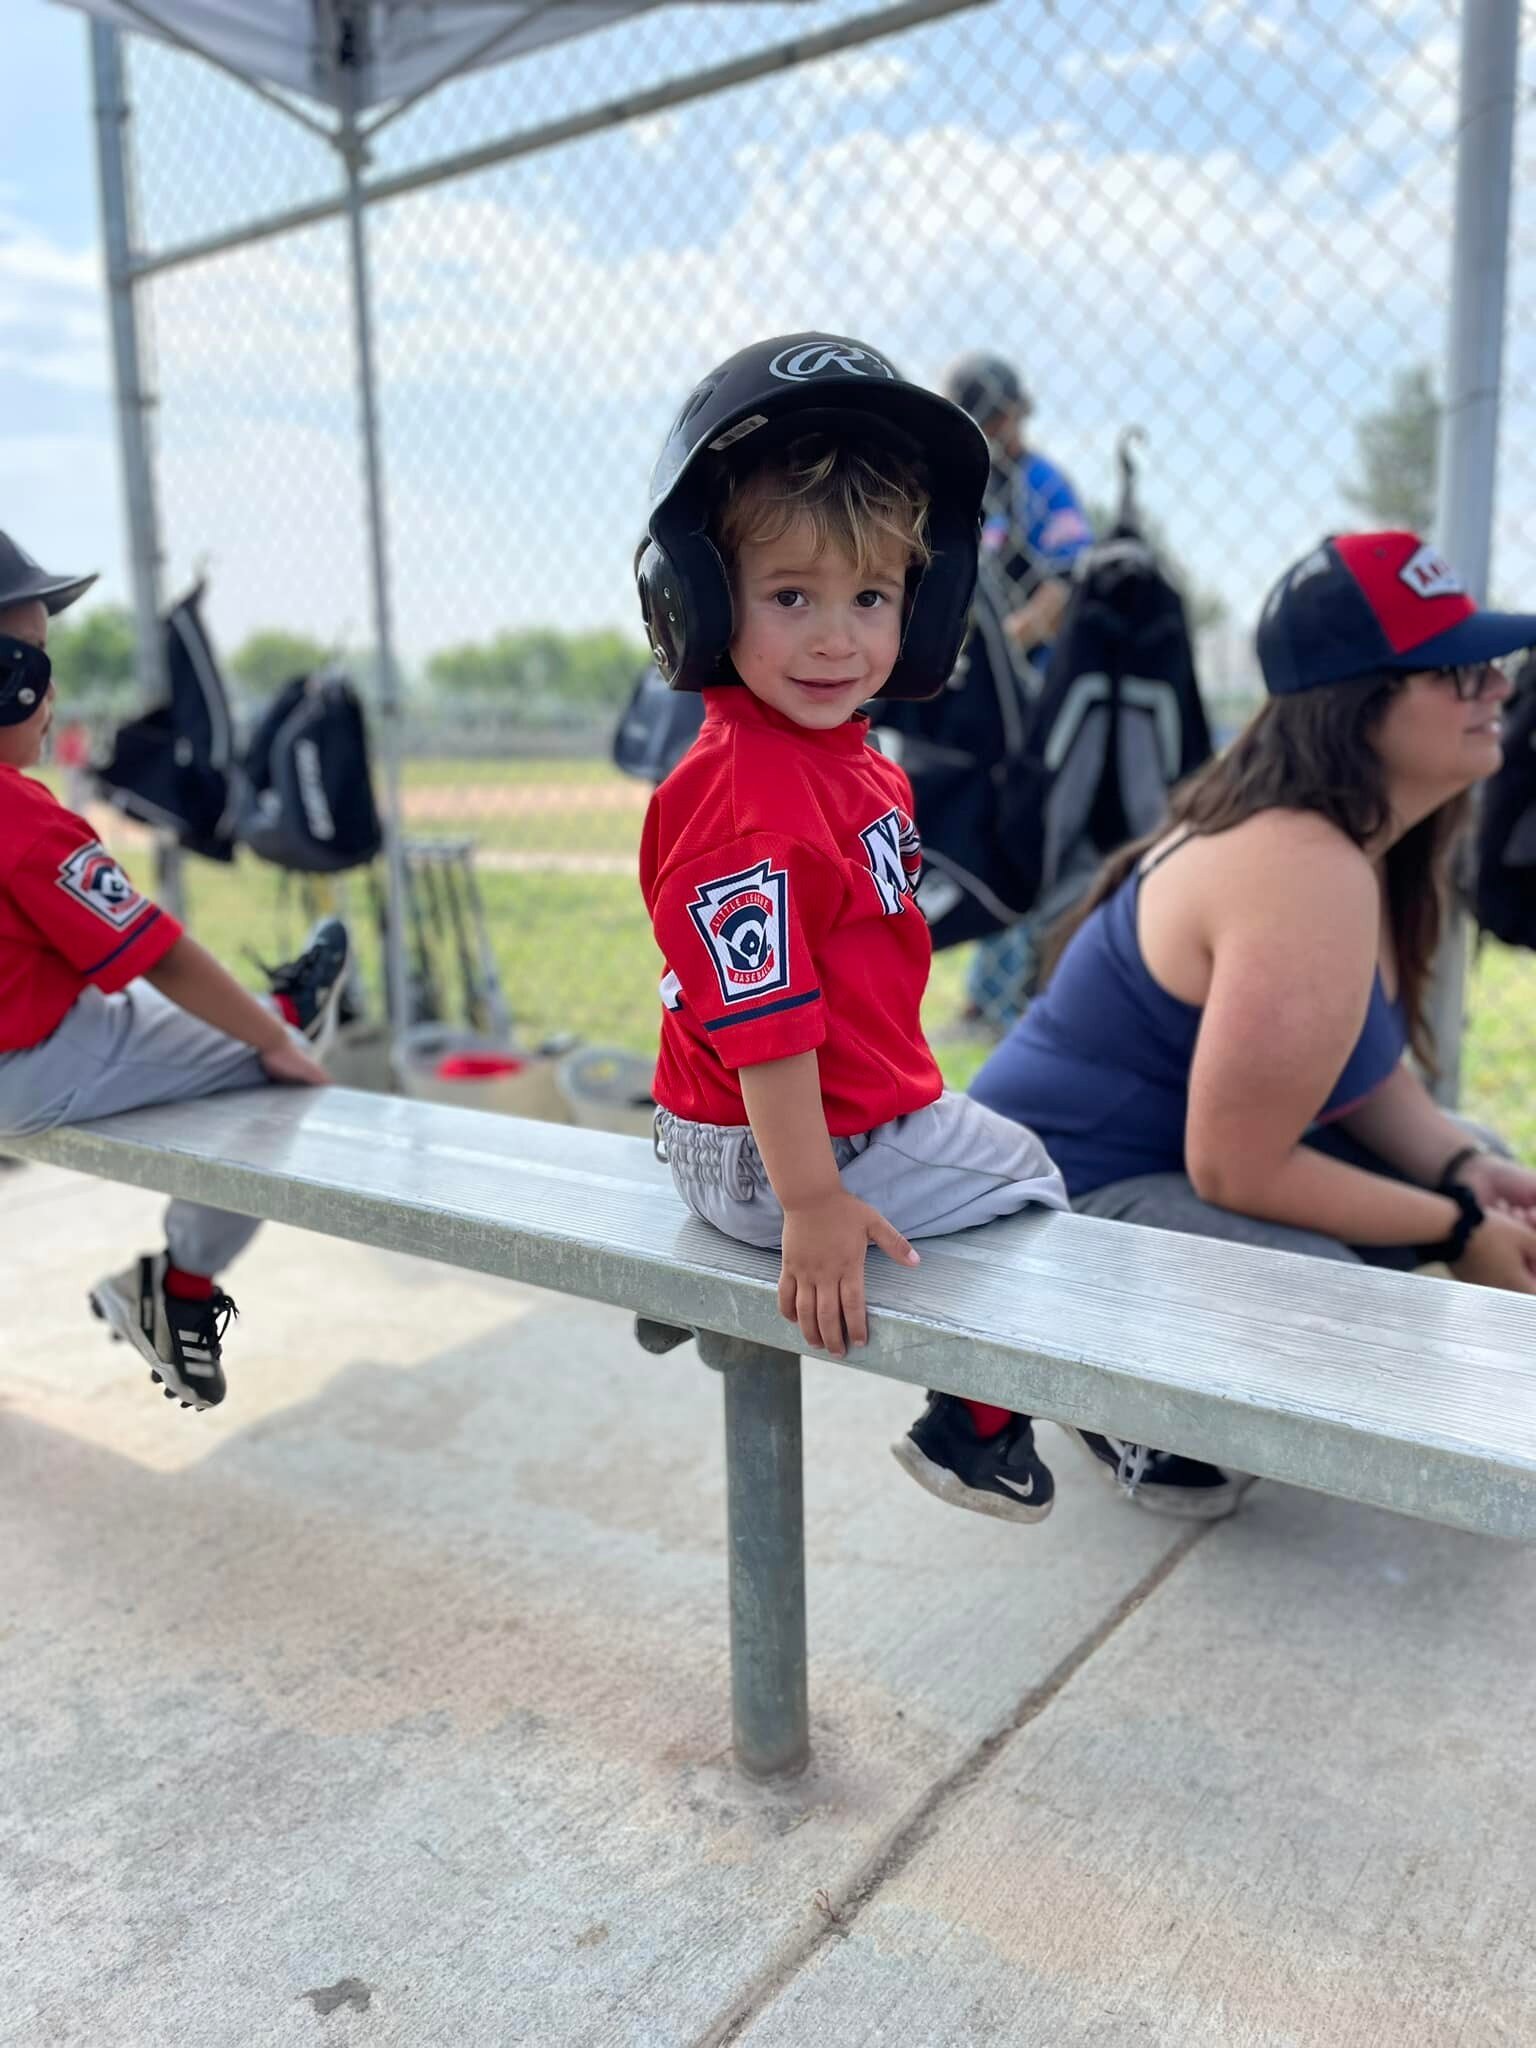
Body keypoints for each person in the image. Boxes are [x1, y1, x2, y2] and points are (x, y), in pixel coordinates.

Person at [966, 529, 1536, 1519]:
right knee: (1346, 1303)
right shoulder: (1299, 860)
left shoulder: (1356, 843)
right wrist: (1456, 1230)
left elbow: (1365, 1078)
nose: (1497, 686)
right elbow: (1241, 1170)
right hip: (1040, 1221)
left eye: (1494, 661)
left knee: (1474, 1154)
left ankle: (1180, 1361)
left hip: (1157, 1180)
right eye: (1459, 667)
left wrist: (1464, 1175)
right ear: (1358, 703)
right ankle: (1110, 1399)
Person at [635, 333, 1070, 1524]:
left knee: (971, 1148)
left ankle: (725, 1250)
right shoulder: (756, 791)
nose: (839, 637)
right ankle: (970, 1427)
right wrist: (814, 1204)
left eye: (871, 597)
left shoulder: (839, 755)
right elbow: (769, 1028)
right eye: (789, 597)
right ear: (700, 599)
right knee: (1033, 1185)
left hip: (733, 1137)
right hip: (788, 1146)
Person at [0, 530, 351, 1413]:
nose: (52, 688)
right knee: (274, 1072)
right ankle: (177, 1289)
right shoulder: (23, 819)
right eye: (34, 660)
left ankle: (269, 1008)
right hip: (31, 1063)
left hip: (48, 1031)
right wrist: (274, 1038)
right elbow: (156, 955)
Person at [941, 351, 1094, 673]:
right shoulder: (965, 486)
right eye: (982, 420)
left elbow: (1067, 584)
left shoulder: (1041, 480)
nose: (992, 429)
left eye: (998, 417)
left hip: (1029, 665)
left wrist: (995, 651)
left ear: (1016, 413)